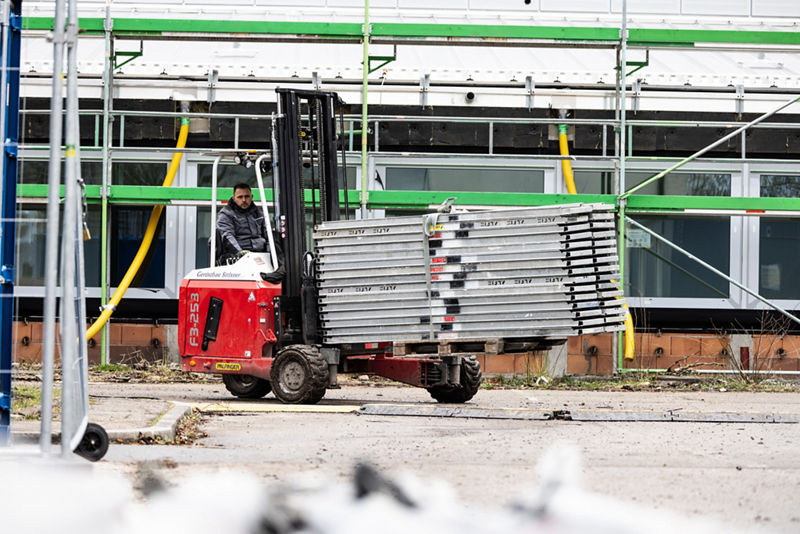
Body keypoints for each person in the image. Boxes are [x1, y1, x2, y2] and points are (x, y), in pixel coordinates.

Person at [214, 183, 283, 279]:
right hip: (240, 255)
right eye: (240, 197)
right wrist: (240, 253)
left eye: (246, 196)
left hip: (261, 254)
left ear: (251, 197)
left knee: (276, 235)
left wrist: (269, 253)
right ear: (234, 198)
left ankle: (281, 269)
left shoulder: (258, 213)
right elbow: (227, 236)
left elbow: (268, 235)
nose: (243, 200)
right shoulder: (226, 214)